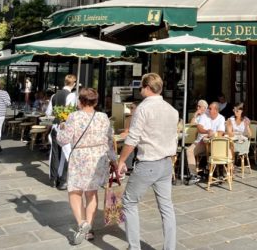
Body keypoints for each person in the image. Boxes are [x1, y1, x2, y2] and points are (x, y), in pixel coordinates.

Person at [117, 73, 178, 250]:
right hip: (166, 163)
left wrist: (121, 160)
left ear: (147, 88)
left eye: (141, 87)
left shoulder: (143, 109)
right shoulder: (172, 110)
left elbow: (132, 139)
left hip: (148, 162)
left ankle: (134, 247)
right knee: (166, 207)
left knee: (129, 202)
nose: (140, 90)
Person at [56, 88, 117, 245]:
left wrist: (61, 128)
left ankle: (82, 223)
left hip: (80, 158)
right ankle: (89, 229)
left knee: (75, 192)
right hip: (98, 159)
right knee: (91, 193)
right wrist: (114, 160)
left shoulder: (74, 117)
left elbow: (63, 140)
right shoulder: (103, 117)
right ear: (95, 102)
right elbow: (110, 140)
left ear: (79, 102)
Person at [46, 74, 78, 190]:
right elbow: (70, 114)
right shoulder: (71, 96)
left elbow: (48, 113)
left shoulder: (54, 95)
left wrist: (57, 115)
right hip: (65, 129)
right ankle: (63, 180)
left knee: (54, 153)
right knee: (66, 154)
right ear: (73, 84)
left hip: (55, 127)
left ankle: (53, 179)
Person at [186, 101, 225, 184]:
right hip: (201, 141)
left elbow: (221, 133)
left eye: (210, 109)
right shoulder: (205, 115)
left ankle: (219, 173)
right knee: (189, 150)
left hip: (214, 143)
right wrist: (207, 132)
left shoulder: (221, 118)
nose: (208, 110)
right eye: (209, 108)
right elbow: (199, 127)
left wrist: (211, 135)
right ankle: (194, 175)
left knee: (221, 149)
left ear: (216, 110)